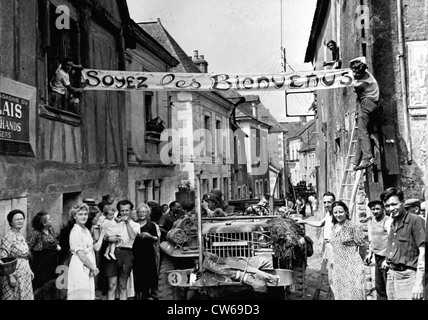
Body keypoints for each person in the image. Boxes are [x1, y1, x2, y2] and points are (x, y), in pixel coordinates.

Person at [380, 187, 425, 300]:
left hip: (408, 277)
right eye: (387, 206)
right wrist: (388, 259)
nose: (391, 208)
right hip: (391, 275)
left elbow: (423, 253)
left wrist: (418, 284)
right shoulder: (392, 223)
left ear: (403, 203)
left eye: (394, 204)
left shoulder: (415, 221)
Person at [294, 191, 336, 296]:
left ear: (334, 202)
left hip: (334, 247)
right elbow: (320, 223)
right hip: (328, 246)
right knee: (331, 275)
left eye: (329, 202)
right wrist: (304, 221)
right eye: (325, 202)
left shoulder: (336, 214)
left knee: (336, 275)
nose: (326, 205)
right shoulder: (328, 214)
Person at [102, 199, 140, 300]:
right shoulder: (114, 222)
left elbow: (132, 237)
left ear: (131, 211)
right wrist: (109, 238)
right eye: (122, 210)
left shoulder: (136, 225)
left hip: (126, 254)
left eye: (127, 210)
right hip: (113, 253)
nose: (124, 213)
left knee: (122, 286)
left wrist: (127, 222)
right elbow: (104, 234)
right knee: (112, 285)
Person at [330, 201, 366, 300]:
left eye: (340, 212)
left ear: (346, 211)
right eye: (335, 212)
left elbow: (362, 246)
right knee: (340, 292)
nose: (338, 215)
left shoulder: (353, 227)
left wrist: (358, 263)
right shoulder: (334, 227)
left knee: (353, 294)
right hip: (338, 266)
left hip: (352, 266)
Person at [349, 56, 380, 171]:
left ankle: (368, 158)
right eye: (354, 71)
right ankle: (356, 161)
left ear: (362, 71)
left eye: (357, 72)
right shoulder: (366, 73)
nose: (355, 74)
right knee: (362, 134)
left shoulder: (363, 83)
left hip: (367, 104)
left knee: (363, 132)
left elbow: (354, 88)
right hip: (372, 105)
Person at [67, 203, 99, 300]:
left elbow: (92, 248)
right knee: (80, 294)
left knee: (88, 294)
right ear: (74, 216)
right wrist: (93, 267)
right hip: (79, 266)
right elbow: (81, 255)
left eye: (85, 214)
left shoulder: (85, 229)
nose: (83, 216)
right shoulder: (75, 232)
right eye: (80, 214)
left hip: (88, 265)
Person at [0, 209, 34, 300]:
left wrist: (29, 270)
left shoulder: (21, 235)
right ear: (11, 222)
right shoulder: (8, 236)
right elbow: (3, 257)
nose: (20, 221)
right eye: (17, 219)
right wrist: (11, 276)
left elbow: (24, 256)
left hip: (24, 273)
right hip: (14, 273)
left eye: (21, 219)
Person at [364, 200, 392, 300]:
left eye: (377, 209)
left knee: (388, 286)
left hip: (386, 257)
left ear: (383, 209)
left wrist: (387, 259)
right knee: (379, 286)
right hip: (377, 256)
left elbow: (392, 240)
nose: (375, 211)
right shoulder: (373, 220)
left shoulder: (387, 221)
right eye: (373, 209)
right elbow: (373, 239)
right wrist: (370, 253)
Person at [27, 210, 61, 291]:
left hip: (52, 262)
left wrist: (56, 246)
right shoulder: (36, 233)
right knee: (41, 285)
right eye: (50, 219)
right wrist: (31, 259)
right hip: (41, 264)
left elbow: (54, 242)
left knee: (51, 285)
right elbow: (27, 247)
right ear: (44, 223)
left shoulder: (51, 230)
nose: (52, 220)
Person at [132, 203, 159, 300]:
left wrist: (149, 236)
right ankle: (136, 294)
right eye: (140, 212)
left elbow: (156, 238)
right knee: (137, 272)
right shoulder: (134, 224)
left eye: (144, 212)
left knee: (147, 272)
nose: (142, 214)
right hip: (136, 252)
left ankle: (146, 294)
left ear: (147, 213)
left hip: (147, 253)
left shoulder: (151, 225)